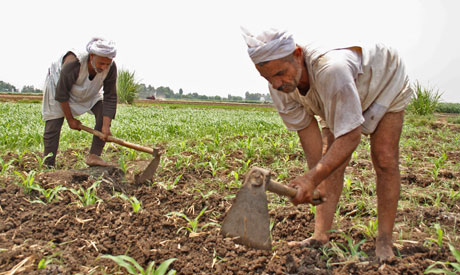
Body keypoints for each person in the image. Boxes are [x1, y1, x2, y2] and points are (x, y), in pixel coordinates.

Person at [242, 28, 413, 261]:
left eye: (281, 73)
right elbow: (308, 135)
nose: (277, 83)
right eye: (268, 78)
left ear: (298, 54)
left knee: (384, 158)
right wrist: (316, 180)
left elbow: (351, 137)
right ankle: (320, 235)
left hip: (382, 80)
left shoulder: (331, 70)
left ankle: (384, 241)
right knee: (329, 160)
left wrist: (312, 179)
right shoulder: (279, 87)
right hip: (337, 93)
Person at [42, 37, 118, 167]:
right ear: (92, 56)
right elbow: (62, 93)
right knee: (53, 124)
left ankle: (94, 156)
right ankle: (48, 165)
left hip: (89, 89)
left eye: (107, 64)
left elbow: (110, 96)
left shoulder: (110, 68)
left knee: (102, 110)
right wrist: (70, 119)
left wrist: (105, 127)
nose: (104, 67)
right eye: (101, 63)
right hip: (57, 87)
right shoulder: (74, 63)